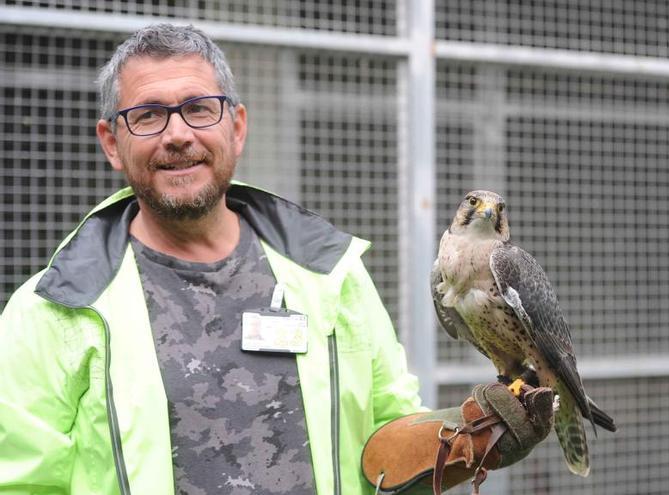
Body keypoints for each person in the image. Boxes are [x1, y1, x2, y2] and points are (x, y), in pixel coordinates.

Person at [0, 24, 552, 495]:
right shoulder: (52, 311)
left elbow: (387, 431)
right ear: (112, 142)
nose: (177, 135)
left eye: (198, 109)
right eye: (147, 116)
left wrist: (457, 439)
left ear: (236, 127)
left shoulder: (329, 274)